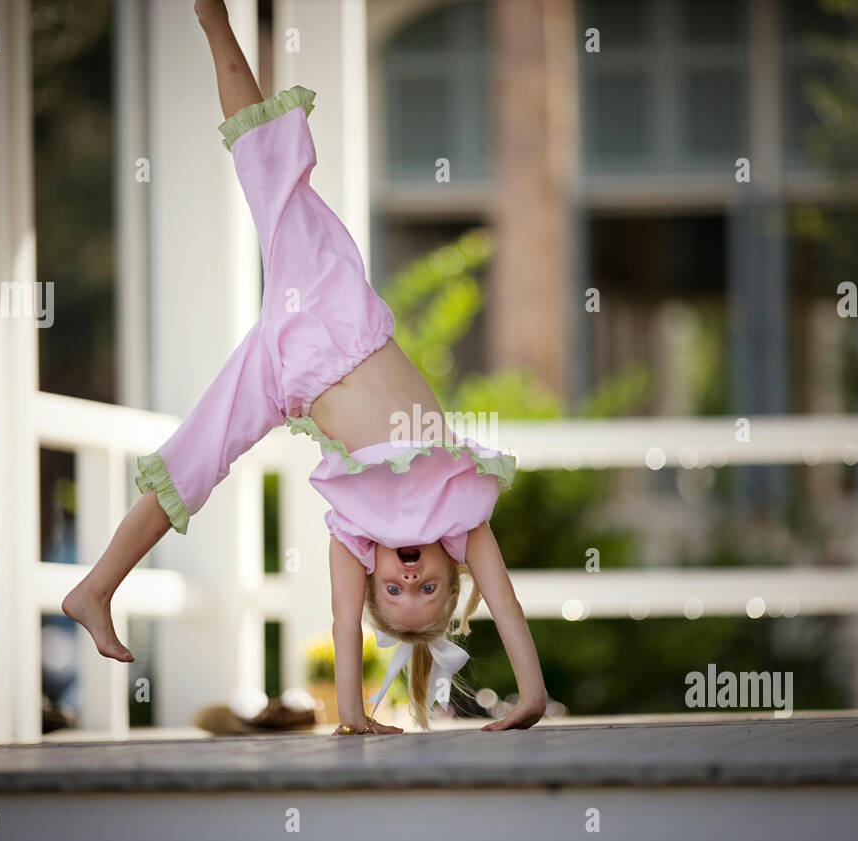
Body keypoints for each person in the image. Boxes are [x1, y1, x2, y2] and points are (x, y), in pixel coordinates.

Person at [64, 0, 546, 735]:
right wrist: (531, 694)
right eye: (425, 587)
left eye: (396, 587)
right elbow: (506, 604)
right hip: (334, 316)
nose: (409, 577)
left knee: (194, 456)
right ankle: (215, 22)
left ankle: (96, 586)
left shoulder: (355, 536)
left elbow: (342, 624)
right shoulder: (462, 513)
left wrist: (352, 713)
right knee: (270, 164)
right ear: (452, 574)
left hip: (292, 374)